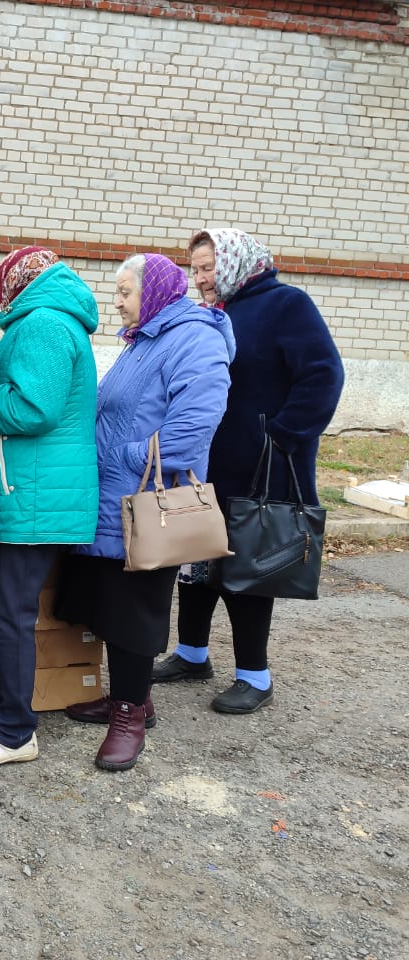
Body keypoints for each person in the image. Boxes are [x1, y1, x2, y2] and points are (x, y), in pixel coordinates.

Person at [55, 254, 233, 771]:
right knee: (108, 604)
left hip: (148, 500)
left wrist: (128, 457)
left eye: (124, 291)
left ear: (152, 291)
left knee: (134, 610)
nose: (116, 301)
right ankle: (133, 699)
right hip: (114, 496)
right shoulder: (148, 339)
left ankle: (129, 718)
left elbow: (197, 422)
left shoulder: (194, 339)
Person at [155, 229, 344, 713]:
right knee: (196, 559)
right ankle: (192, 654)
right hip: (210, 462)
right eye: (193, 269)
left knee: (248, 566)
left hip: (266, 466)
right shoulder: (215, 312)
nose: (199, 279)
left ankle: (255, 677)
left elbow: (324, 374)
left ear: (237, 262)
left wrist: (280, 435)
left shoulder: (286, 304)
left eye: (206, 268)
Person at [0, 247, 100, 767]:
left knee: (9, 612)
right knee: (0, 606)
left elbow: (33, 408)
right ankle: (5, 706)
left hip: (32, 495)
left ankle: (15, 734)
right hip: (31, 491)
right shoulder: (50, 320)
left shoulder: (44, 325)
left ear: (18, 283)